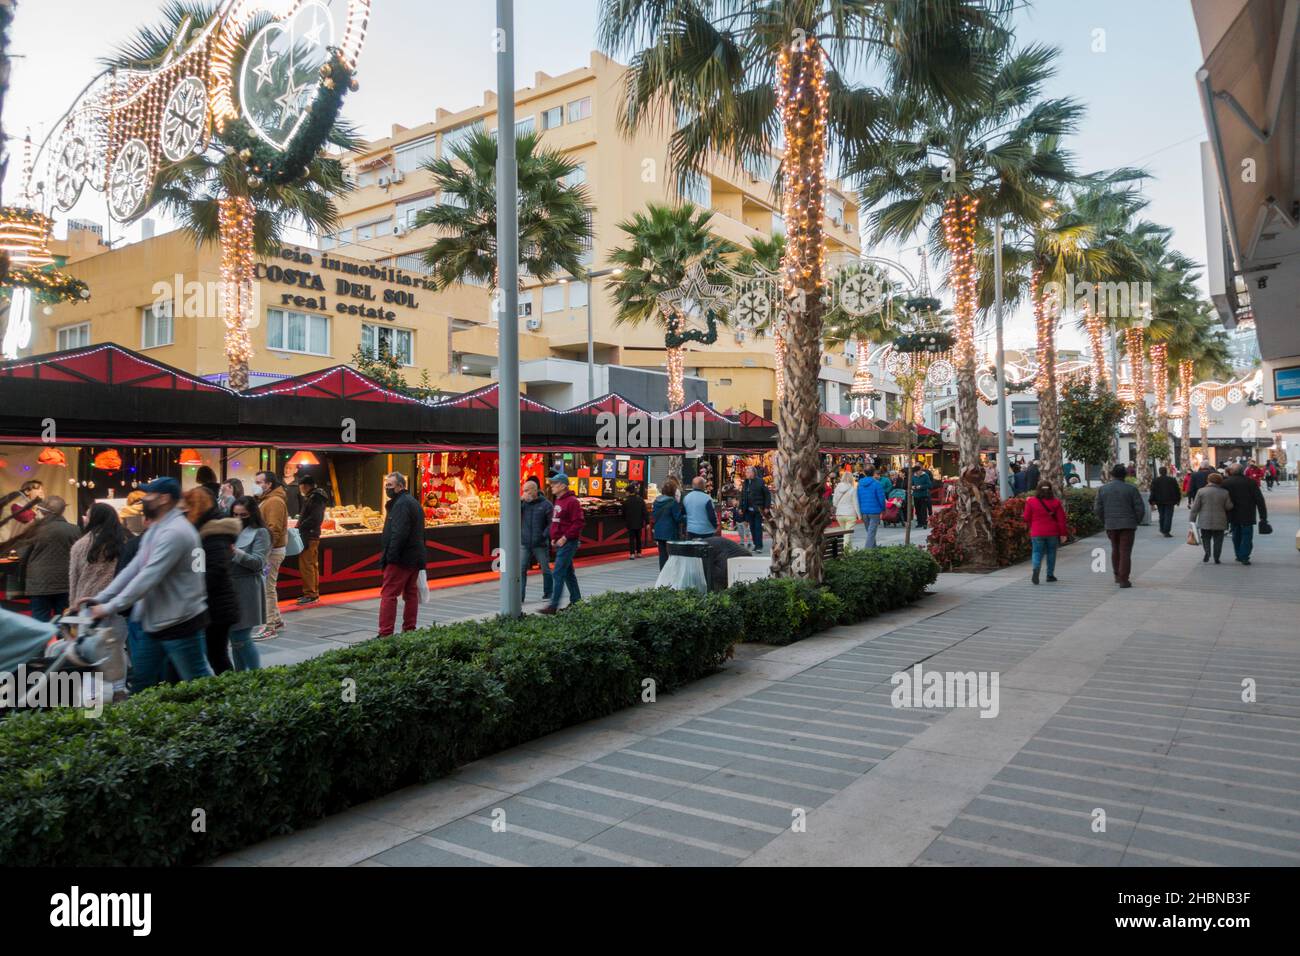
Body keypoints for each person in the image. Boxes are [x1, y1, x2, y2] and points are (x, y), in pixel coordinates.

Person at [85, 477, 213, 688]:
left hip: (181, 620)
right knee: (142, 682)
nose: (144, 499)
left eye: (149, 494)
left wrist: (109, 607)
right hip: (155, 621)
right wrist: (101, 598)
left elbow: (148, 576)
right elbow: (134, 568)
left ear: (164, 499)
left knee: (197, 679)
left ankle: (218, 716)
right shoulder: (157, 529)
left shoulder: (175, 532)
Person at [185, 487, 240, 675]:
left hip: (217, 604)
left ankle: (230, 693)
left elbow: (215, 569)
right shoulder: (206, 530)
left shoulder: (212, 532)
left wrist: (195, 589)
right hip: (214, 602)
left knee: (217, 655)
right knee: (215, 654)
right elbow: (199, 566)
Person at [377, 471, 428, 636]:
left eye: (390, 485)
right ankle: (409, 629)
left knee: (389, 594)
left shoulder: (401, 505)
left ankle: (385, 633)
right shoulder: (412, 502)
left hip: (401, 558)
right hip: (414, 556)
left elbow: (399, 533)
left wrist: (391, 556)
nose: (387, 488)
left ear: (400, 486)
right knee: (410, 593)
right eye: (386, 485)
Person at [17, 496, 80, 622]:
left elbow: (22, 554)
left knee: (39, 624)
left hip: (39, 583)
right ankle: (63, 642)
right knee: (65, 622)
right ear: (62, 511)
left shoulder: (34, 530)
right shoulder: (75, 530)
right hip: (66, 582)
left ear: (43, 511)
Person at [228, 496, 267, 671]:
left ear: (251, 514)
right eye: (235, 514)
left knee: (241, 637)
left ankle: (256, 676)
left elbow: (258, 562)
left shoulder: (260, 532)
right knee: (235, 638)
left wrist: (235, 552)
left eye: (242, 515)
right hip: (230, 588)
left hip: (248, 587)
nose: (238, 519)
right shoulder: (229, 530)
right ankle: (241, 676)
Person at [1094, 464, 1144, 588]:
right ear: (1125, 475)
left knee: (1115, 549)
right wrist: (1135, 521)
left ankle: (1117, 575)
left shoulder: (1103, 489)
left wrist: (1105, 521)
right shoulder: (1131, 489)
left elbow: (1097, 508)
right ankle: (1124, 579)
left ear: (1112, 474)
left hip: (1111, 524)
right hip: (1128, 525)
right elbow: (1140, 508)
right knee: (1125, 552)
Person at [68, 503, 126, 609]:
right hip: (116, 600)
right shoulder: (124, 541)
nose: (84, 519)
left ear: (95, 519)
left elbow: (74, 577)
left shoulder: (81, 545)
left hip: (86, 600)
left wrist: (73, 605)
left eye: (87, 516)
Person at [540, 473, 583, 614]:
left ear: (563, 485)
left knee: (558, 572)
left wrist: (564, 537)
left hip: (568, 542)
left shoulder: (572, 501)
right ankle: (577, 601)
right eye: (551, 483)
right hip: (561, 542)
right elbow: (557, 522)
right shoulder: (558, 501)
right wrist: (554, 536)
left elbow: (578, 523)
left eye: (555, 483)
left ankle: (553, 605)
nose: (552, 486)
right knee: (568, 573)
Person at [253, 470, 288, 639]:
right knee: (269, 586)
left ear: (269, 484)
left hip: (271, 551)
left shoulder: (274, 501)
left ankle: (269, 626)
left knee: (267, 588)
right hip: (272, 549)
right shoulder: (268, 499)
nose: (257, 485)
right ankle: (276, 619)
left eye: (260, 482)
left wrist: (264, 551)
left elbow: (274, 528)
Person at [1022, 481, 1069, 585]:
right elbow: (1061, 519)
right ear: (1050, 489)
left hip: (1037, 532)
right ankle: (1050, 575)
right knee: (1051, 553)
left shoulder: (1031, 501)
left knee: (1037, 552)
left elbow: (1026, 517)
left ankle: (1036, 568)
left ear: (1038, 489)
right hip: (1052, 532)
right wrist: (1063, 534)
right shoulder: (1056, 502)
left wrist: (1033, 524)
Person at [1222, 463, 1268, 565]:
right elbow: (1259, 500)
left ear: (1231, 471)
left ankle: (1239, 554)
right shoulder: (1250, 482)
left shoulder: (1225, 483)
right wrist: (1263, 516)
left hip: (1232, 513)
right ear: (1243, 471)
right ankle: (1244, 555)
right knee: (1247, 535)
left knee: (1236, 534)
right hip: (1248, 513)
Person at [294, 473, 327, 606]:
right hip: (311, 535)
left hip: (309, 535)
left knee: (307, 565)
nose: (300, 489)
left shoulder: (315, 498)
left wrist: (300, 526)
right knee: (312, 565)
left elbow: (315, 518)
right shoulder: (317, 497)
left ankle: (310, 594)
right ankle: (313, 593)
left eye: (301, 486)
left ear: (306, 486)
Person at [520, 477, 553, 603]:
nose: (525, 493)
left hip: (540, 543)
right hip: (525, 542)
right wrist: (519, 501)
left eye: (527, 490)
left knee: (545, 569)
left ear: (534, 490)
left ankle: (549, 593)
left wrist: (543, 535)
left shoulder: (546, 504)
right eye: (523, 490)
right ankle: (520, 596)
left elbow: (551, 524)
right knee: (521, 569)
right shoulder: (524, 504)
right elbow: (512, 513)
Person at [1189, 472, 1231, 564]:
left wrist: (1192, 521)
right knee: (1218, 539)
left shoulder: (1201, 491)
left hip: (1205, 519)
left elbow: (1195, 507)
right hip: (1220, 520)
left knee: (1206, 538)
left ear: (1208, 480)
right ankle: (1217, 557)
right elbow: (1229, 506)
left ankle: (1207, 553)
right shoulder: (1225, 492)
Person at [652, 478, 684, 569]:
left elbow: (654, 516)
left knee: (662, 556)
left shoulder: (656, 501)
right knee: (672, 555)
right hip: (670, 532)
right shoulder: (672, 502)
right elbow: (678, 518)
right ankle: (671, 575)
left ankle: (663, 575)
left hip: (659, 532)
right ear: (673, 491)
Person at [739, 466, 770, 553]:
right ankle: (755, 544)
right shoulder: (745, 483)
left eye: (748, 472)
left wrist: (767, 507)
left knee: (757, 527)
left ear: (753, 473)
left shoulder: (760, 481)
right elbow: (742, 496)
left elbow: (767, 495)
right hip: (748, 509)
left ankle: (759, 546)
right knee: (752, 527)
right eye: (746, 472)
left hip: (758, 509)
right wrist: (740, 507)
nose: (746, 474)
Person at [856, 466, 887, 548]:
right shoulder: (877, 483)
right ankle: (868, 551)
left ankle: (874, 549)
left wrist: (860, 510)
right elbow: (881, 498)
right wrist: (883, 508)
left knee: (870, 532)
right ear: (873, 473)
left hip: (864, 511)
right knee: (871, 532)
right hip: (875, 511)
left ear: (864, 473)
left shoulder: (860, 484)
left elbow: (858, 498)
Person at [1147, 466, 1182, 538]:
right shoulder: (1172, 480)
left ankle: (1162, 529)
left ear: (1159, 472)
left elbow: (1153, 491)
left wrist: (1151, 500)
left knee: (1161, 515)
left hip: (1159, 501)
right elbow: (1177, 490)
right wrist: (1178, 500)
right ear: (1166, 472)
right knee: (1168, 516)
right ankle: (1166, 531)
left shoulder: (1155, 480)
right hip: (1170, 501)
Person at [832, 470, 861, 548]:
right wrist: (859, 515)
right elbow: (855, 503)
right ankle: (846, 552)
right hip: (850, 514)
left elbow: (834, 502)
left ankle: (849, 550)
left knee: (845, 533)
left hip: (839, 514)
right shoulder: (852, 489)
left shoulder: (837, 488)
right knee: (847, 535)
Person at [622, 483, 646, 559]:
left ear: (629, 492)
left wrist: (625, 520)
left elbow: (623, 513)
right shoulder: (640, 500)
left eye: (626, 492)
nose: (625, 493)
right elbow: (644, 511)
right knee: (638, 538)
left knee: (631, 539)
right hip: (639, 522)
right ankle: (639, 553)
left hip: (630, 523)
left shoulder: (626, 501)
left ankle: (632, 554)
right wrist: (647, 522)